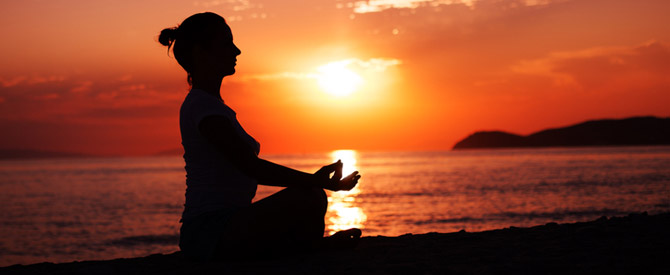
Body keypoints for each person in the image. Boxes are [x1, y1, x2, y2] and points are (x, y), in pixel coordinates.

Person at [158, 12, 362, 261]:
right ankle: (312, 248)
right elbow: (251, 167)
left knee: (310, 196)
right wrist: (317, 180)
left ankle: (310, 246)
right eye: (226, 43)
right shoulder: (203, 108)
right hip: (208, 232)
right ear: (201, 53)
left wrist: (314, 181)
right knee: (308, 197)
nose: (237, 51)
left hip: (225, 224)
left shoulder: (210, 105)